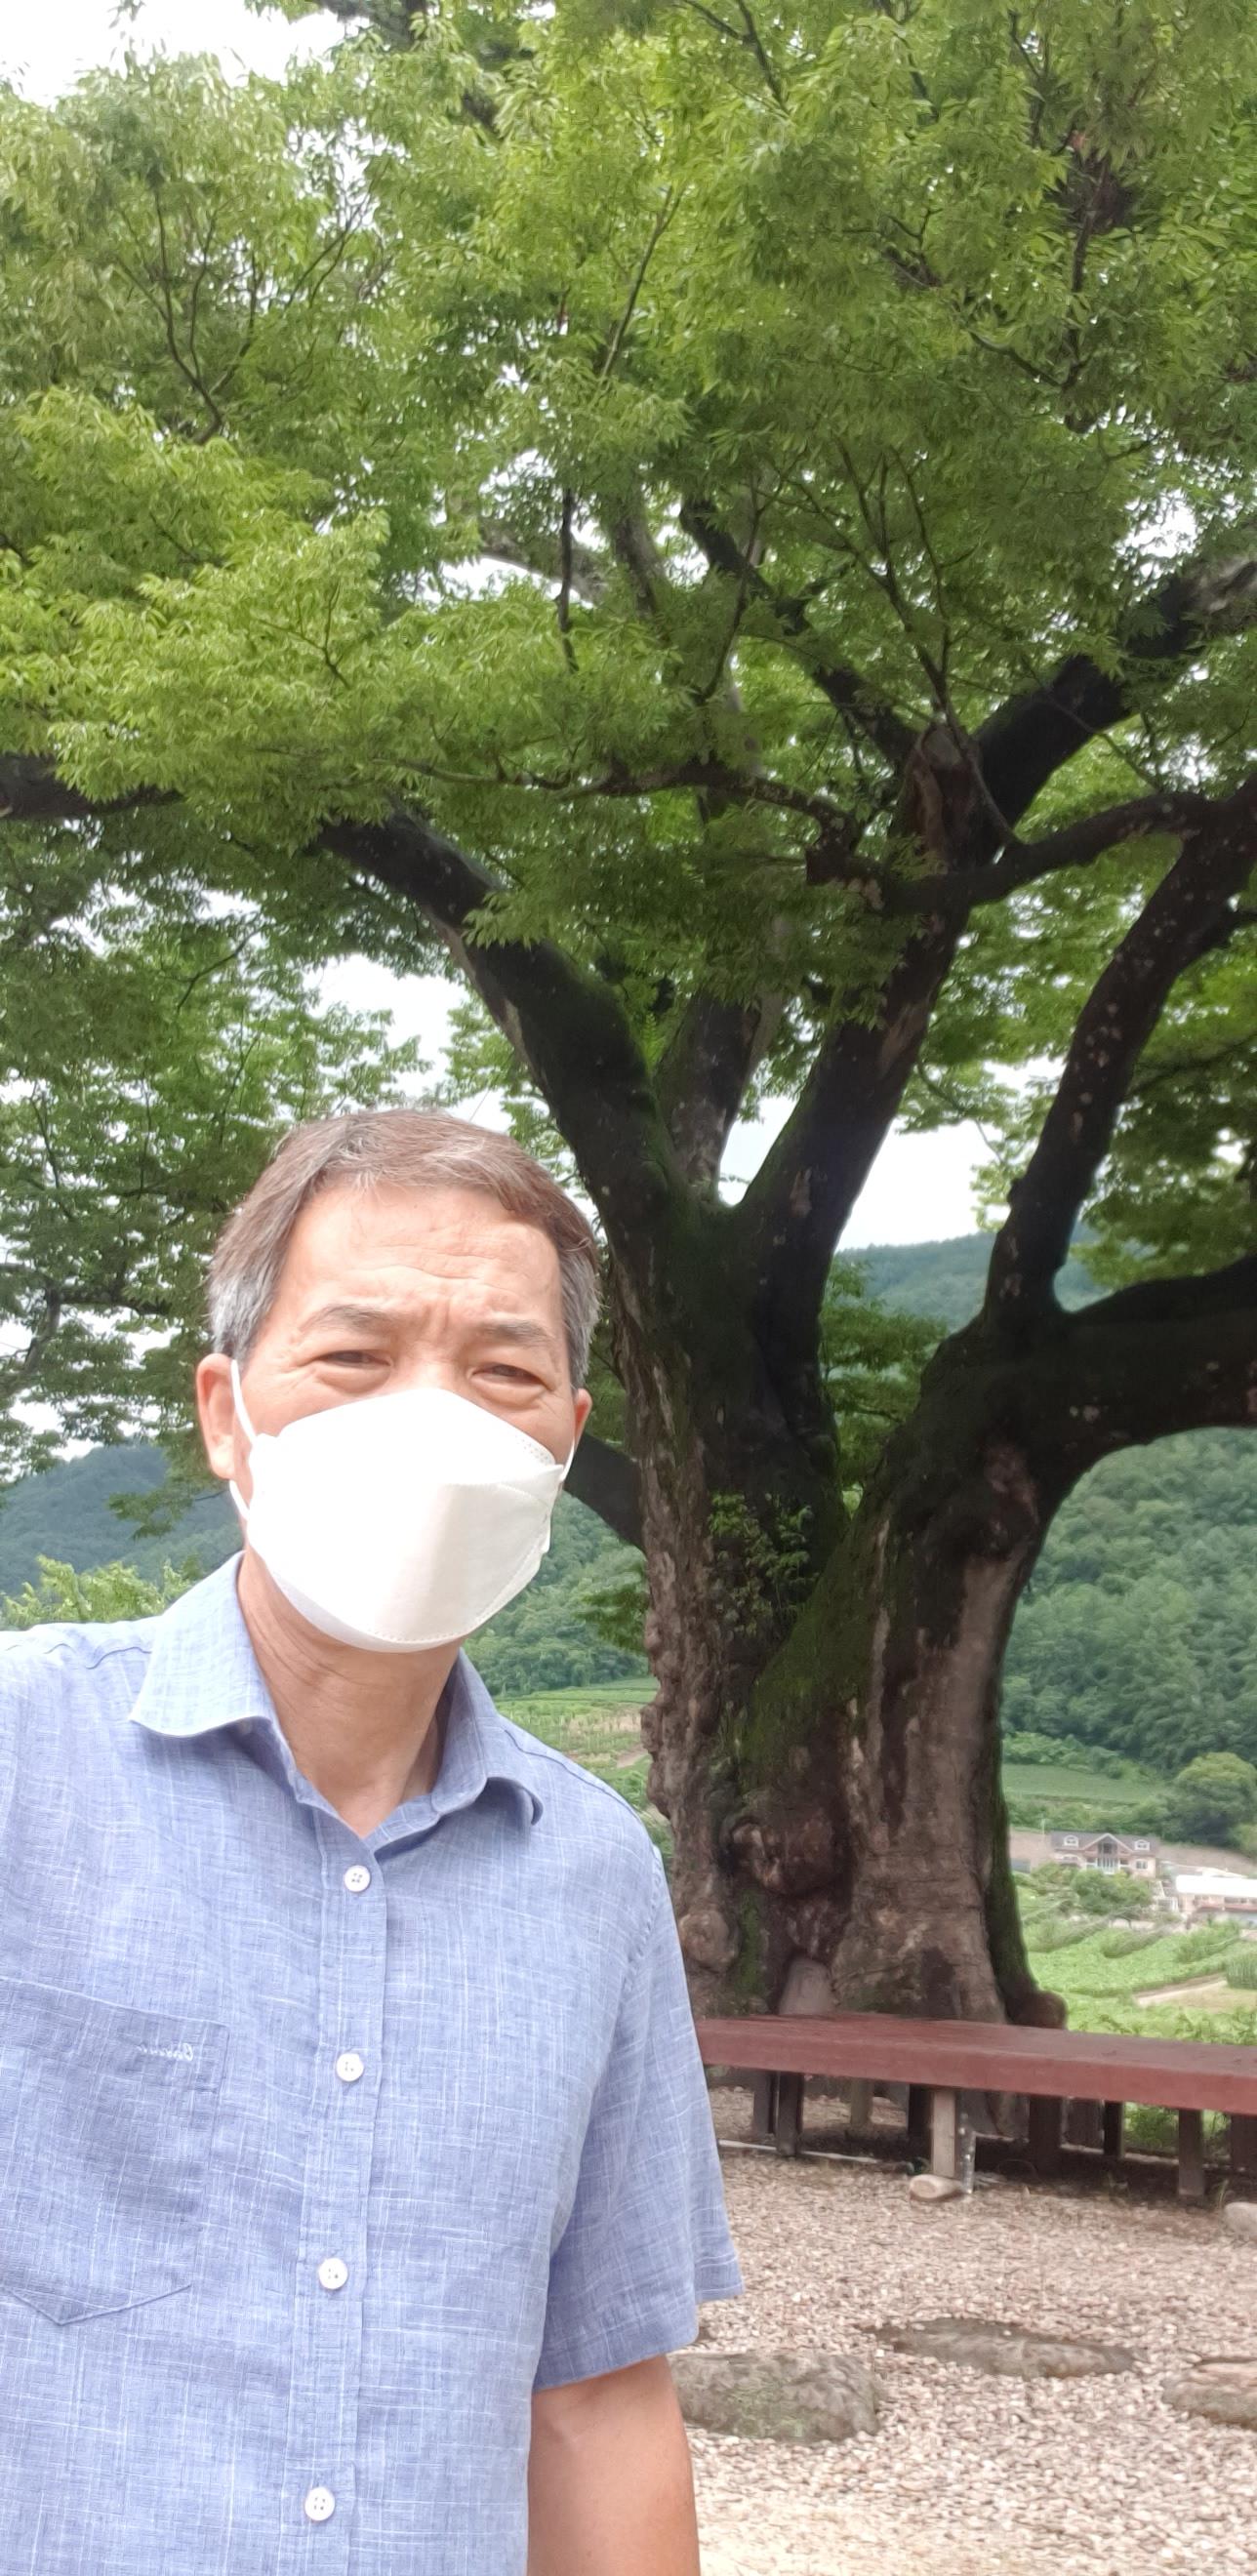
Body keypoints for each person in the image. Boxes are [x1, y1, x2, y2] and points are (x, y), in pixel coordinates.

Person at [0, 1109, 742, 2576]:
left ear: (565, 1438)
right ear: (228, 1413)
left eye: (504, 1372)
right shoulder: (24, 1756)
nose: (433, 1420)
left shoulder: (594, 1872)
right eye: (354, 1354)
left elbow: (597, 2399)